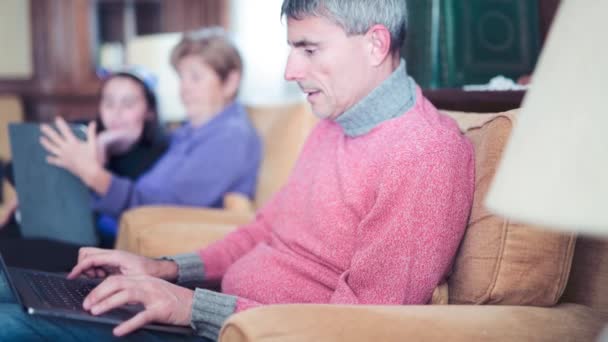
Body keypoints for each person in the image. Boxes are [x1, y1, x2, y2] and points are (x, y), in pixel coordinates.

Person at [0, 1, 475, 341]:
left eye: (309, 49)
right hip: (217, 315)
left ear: (375, 44)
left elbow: (360, 325)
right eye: (292, 49)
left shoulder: (423, 155)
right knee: (12, 286)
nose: (290, 69)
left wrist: (189, 308)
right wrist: (166, 269)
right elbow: (263, 230)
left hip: (238, 330)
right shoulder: (335, 124)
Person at [38, 27, 262, 238]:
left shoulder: (230, 138)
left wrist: (92, 173)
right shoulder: (189, 131)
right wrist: (113, 142)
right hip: (123, 224)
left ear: (231, 81)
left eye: (195, 77)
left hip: (146, 234)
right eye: (181, 77)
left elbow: (158, 209)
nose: (184, 88)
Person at [0, 68, 168, 270]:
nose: (116, 112)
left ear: (149, 110)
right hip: (40, 225)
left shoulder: (159, 153)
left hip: (90, 241)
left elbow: (131, 214)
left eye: (128, 103)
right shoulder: (81, 131)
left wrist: (99, 158)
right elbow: (20, 168)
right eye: (109, 102)